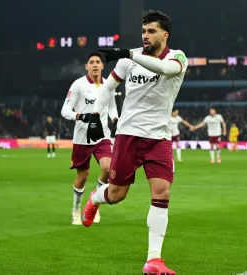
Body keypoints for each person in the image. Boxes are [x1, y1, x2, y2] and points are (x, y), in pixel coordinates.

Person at [82, 10, 187, 275]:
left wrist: (129, 54)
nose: (145, 36)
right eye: (143, 31)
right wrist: (95, 115)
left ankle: (153, 260)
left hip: (159, 138)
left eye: (151, 31)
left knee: (162, 193)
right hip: (128, 135)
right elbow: (107, 88)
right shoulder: (128, 59)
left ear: (165, 34)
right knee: (117, 195)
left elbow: (163, 69)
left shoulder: (177, 57)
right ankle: (95, 197)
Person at [61, 52, 118, 225]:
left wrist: (116, 119)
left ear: (102, 66)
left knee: (108, 168)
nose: (94, 65)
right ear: (86, 66)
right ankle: (76, 208)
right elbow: (65, 110)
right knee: (83, 176)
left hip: (102, 136)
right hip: (82, 138)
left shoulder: (109, 85)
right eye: (91, 62)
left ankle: (94, 204)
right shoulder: (78, 85)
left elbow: (112, 108)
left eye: (98, 62)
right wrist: (80, 116)